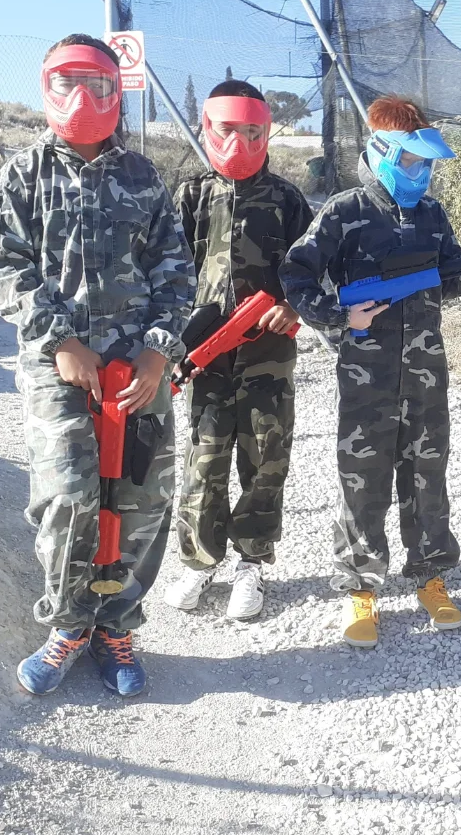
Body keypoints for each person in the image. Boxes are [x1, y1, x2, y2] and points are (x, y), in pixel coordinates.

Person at [0, 33, 195, 697]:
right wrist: (60, 343)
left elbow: (175, 271)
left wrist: (157, 350)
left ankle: (117, 627)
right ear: (47, 87)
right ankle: (68, 625)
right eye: (68, 81)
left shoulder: (142, 177)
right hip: (59, 369)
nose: (83, 96)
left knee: (141, 498)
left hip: (138, 370)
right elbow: (6, 268)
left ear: (116, 92)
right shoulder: (23, 175)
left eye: (98, 84)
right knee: (68, 496)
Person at [279, 96, 461, 648]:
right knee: (363, 475)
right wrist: (339, 318)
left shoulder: (431, 214)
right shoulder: (346, 210)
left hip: (427, 369)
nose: (419, 173)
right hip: (367, 374)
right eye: (410, 161)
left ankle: (430, 575)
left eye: (425, 163)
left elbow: (446, 278)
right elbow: (296, 274)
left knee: (428, 471)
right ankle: (361, 587)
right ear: (379, 152)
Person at [163, 80, 313, 620]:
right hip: (203, 354)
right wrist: (171, 344)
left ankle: (252, 563)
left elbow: (313, 271)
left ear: (266, 132)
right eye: (228, 129)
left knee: (266, 457)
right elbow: (168, 274)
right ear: (208, 127)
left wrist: (292, 307)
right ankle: (200, 562)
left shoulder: (288, 200)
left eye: (252, 131)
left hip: (268, 353)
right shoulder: (190, 195)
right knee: (203, 459)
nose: (240, 142)